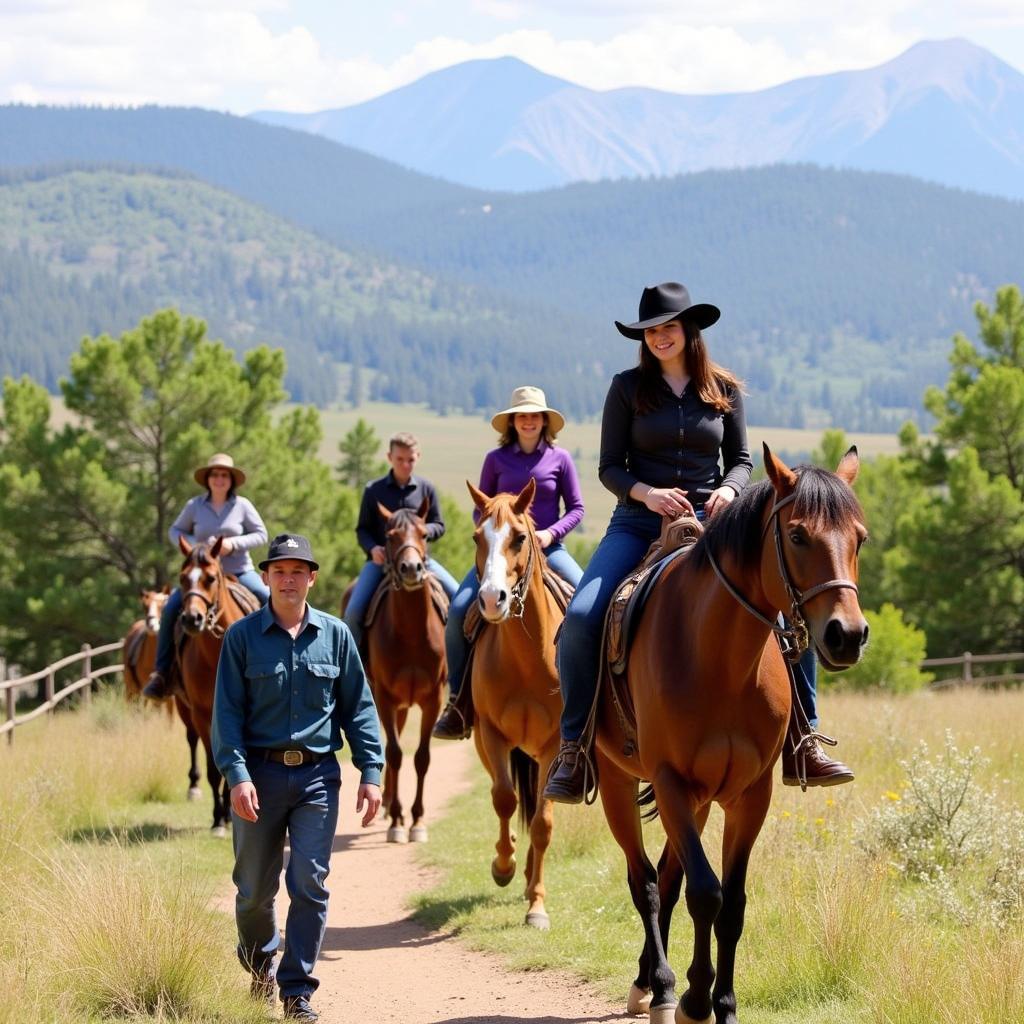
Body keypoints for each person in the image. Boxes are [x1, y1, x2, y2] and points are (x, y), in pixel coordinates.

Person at [543, 282, 853, 803]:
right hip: (638, 522)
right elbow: (608, 468)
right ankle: (574, 748)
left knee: (789, 615)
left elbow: (741, 459)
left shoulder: (724, 389)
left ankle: (805, 740)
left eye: (668, 328)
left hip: (716, 523)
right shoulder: (625, 388)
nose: (659, 338)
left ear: (689, 331)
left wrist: (731, 491)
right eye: (650, 332)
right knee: (581, 617)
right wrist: (649, 494)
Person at [211, 533, 384, 1023]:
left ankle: (296, 991)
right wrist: (238, 774)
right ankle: (258, 962)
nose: (288, 580)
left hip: (316, 780)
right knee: (252, 891)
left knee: (309, 882)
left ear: (312, 578)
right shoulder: (241, 638)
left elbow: (360, 709)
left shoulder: (336, 635)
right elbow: (226, 714)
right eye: (279, 571)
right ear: (266, 577)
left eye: (298, 571)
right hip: (258, 778)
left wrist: (371, 771)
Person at [433, 385, 586, 740]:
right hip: (500, 553)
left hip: (548, 549)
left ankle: (589, 700)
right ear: (512, 421)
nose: (528, 421)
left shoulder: (560, 459)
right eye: (522, 415)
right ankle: (457, 702)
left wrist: (549, 534)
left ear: (544, 421)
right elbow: (481, 508)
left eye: (534, 415)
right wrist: (494, 530)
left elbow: (577, 508)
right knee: (458, 610)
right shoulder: (495, 460)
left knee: (585, 605)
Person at [143, 453, 270, 700]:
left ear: (231, 480)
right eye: (215, 474)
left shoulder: (242, 505)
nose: (219, 479)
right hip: (202, 577)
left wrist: (231, 544)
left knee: (267, 599)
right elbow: (175, 530)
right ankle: (161, 673)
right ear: (208, 479)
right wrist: (196, 546)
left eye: (224, 475)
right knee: (170, 609)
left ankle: (283, 667)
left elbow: (261, 534)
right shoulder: (195, 506)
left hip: (239, 571)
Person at [343, 431, 459, 651]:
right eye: (400, 459)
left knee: (460, 599)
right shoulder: (373, 490)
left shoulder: (427, 488)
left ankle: (459, 667)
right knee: (353, 611)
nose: (406, 465)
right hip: (381, 563)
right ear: (389, 457)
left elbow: (439, 525)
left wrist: (421, 532)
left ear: (418, 457)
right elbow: (363, 529)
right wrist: (372, 548)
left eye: (411, 460)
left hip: (421, 560)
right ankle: (352, 672)